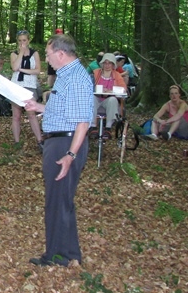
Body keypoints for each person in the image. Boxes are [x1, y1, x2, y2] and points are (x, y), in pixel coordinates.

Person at [23, 33, 93, 267]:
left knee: (57, 202)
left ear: (61, 54)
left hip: (66, 144)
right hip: (58, 140)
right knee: (61, 200)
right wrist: (38, 106)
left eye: (49, 54)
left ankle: (57, 256)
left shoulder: (77, 78)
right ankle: (70, 252)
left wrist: (70, 155)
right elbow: (64, 111)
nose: (47, 58)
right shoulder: (65, 76)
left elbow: (83, 122)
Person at [10, 30, 43, 150]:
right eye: (20, 40)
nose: (22, 42)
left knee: (31, 113)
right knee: (16, 115)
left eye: (24, 40)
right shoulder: (14, 54)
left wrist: (22, 70)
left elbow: (37, 70)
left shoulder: (35, 54)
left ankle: (39, 140)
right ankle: (17, 141)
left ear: (28, 40)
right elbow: (14, 67)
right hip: (16, 85)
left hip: (30, 85)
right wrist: (21, 53)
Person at [91, 53, 127, 135]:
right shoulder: (96, 73)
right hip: (97, 99)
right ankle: (93, 126)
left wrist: (112, 91)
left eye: (109, 63)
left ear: (113, 64)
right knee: (92, 98)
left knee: (112, 99)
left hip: (108, 101)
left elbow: (123, 89)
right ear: (102, 64)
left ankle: (108, 127)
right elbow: (89, 85)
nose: (107, 65)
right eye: (105, 63)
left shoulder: (117, 75)